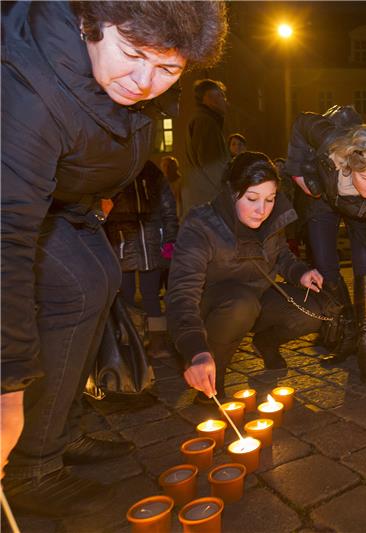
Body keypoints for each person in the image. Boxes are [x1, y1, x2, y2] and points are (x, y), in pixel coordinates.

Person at [1, 0, 227, 516]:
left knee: (100, 279)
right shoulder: (28, 84)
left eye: (169, 69)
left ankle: (60, 427)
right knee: (77, 286)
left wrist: (98, 192)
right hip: (15, 202)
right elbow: (6, 234)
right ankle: (32, 462)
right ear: (91, 22)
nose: (145, 81)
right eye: (132, 53)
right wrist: (6, 386)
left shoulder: (123, 76)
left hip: (66, 201)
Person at [168, 152, 325, 400]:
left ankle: (267, 341)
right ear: (232, 193)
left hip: (257, 297)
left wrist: (300, 272)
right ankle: (212, 382)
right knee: (242, 304)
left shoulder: (271, 219)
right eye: (252, 198)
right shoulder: (202, 225)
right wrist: (195, 350)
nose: (261, 210)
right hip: (214, 307)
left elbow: (281, 254)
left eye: (270, 199)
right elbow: (182, 294)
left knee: (313, 308)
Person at [286, 107, 366, 381]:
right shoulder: (329, 142)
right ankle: (347, 332)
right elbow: (301, 122)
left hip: (363, 212)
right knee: (325, 265)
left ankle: (364, 342)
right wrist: (297, 172)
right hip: (326, 198)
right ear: (350, 164)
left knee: (364, 263)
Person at [105, 160, 178, 358]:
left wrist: (170, 239)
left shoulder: (151, 171)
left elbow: (168, 206)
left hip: (152, 242)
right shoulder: (114, 170)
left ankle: (157, 341)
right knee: (126, 296)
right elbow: (102, 210)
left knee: (151, 295)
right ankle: (132, 342)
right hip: (122, 241)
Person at [182, 79, 229, 215]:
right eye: (221, 95)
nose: (225, 101)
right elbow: (211, 164)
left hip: (201, 197)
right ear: (209, 98)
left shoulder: (201, 119)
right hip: (208, 199)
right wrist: (228, 193)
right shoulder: (206, 121)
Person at [160, 155, 183, 220]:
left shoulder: (181, 182)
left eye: (168, 166)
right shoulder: (162, 183)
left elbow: (179, 200)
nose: (166, 168)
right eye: (164, 166)